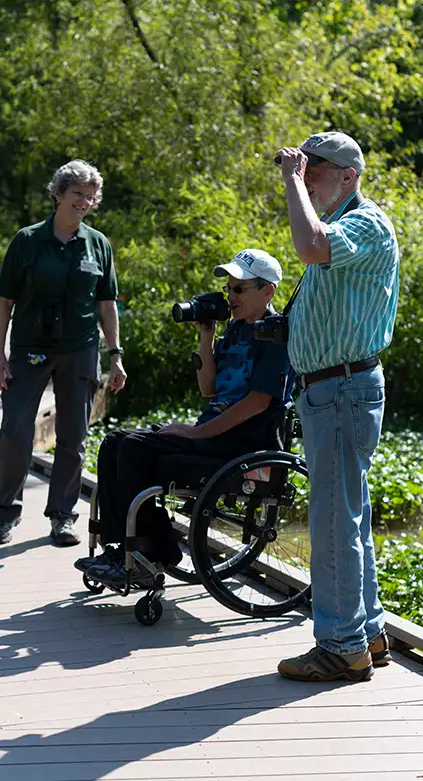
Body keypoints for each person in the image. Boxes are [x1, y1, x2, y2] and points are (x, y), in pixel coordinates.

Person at [74, 249, 296, 586]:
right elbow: (209, 389)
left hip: (242, 442)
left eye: (239, 289)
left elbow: (257, 403)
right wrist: (207, 336)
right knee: (114, 441)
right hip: (213, 433)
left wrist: (198, 433)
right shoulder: (235, 330)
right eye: (228, 289)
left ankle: (143, 552)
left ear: (267, 291)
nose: (230, 297)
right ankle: (128, 548)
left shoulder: (276, 336)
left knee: (134, 448)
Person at [271, 132, 400, 683]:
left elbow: (309, 246)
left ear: (348, 175)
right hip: (333, 390)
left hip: (343, 391)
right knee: (350, 516)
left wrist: (291, 181)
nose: (307, 177)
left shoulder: (365, 224)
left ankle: (342, 646)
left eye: (315, 170)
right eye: (305, 169)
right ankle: (367, 632)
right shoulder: (347, 225)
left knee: (332, 522)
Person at [0, 160, 127, 548]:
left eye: (90, 196)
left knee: (73, 437)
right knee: (15, 432)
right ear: (58, 195)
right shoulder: (27, 241)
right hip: (29, 350)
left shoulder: (98, 244)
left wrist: (115, 355)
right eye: (77, 194)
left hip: (80, 350)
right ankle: (5, 514)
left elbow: (107, 305)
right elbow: (4, 301)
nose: (84, 202)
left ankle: (63, 517)